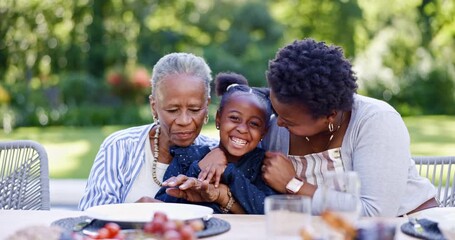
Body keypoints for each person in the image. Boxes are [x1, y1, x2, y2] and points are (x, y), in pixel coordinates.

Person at [260, 38, 438, 217]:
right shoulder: (276, 129)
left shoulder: (376, 121)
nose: (278, 123)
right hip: (326, 230)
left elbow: (375, 214)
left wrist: (293, 184)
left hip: (409, 226)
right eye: (276, 111)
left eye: (289, 121)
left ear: (329, 115)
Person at [78, 52, 219, 210]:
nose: (184, 121)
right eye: (172, 110)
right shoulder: (119, 147)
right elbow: (88, 215)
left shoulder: (217, 153)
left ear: (206, 106)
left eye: (194, 109)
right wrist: (131, 213)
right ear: (154, 107)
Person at [155, 72, 277, 214]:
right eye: (234, 118)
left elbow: (269, 210)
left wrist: (229, 172)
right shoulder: (189, 156)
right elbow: (162, 203)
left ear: (264, 132)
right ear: (218, 119)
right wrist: (199, 168)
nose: (242, 129)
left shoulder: (263, 166)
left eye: (254, 124)